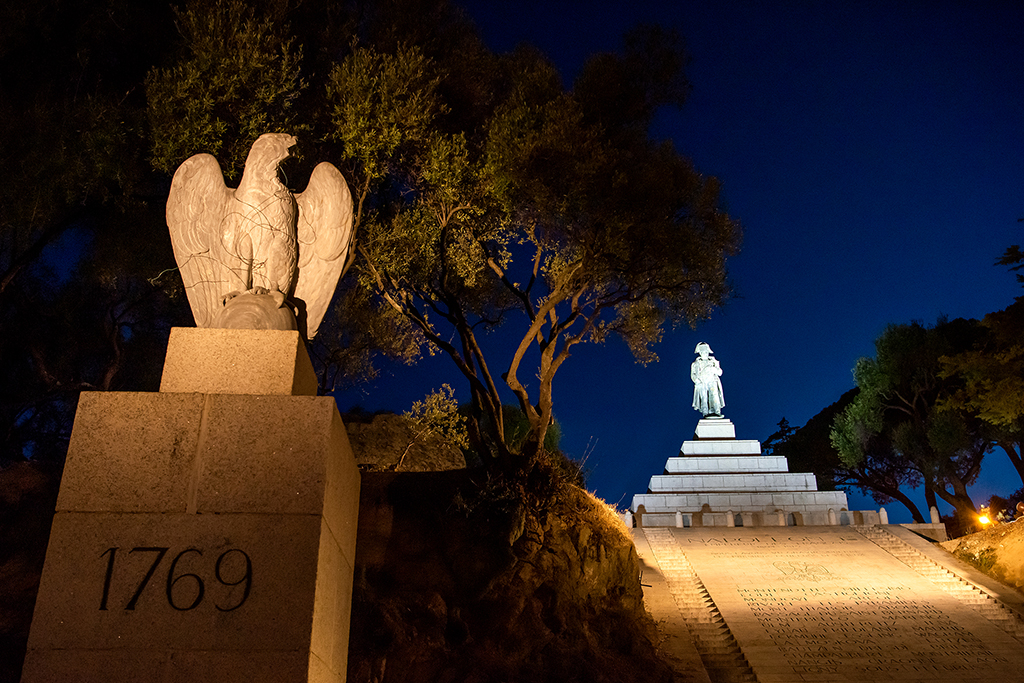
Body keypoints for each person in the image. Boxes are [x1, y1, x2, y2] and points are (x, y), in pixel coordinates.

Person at [691, 342, 724, 417]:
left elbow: (720, 372)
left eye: (706, 352)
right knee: (704, 397)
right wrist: (697, 381)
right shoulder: (696, 363)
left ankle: (716, 411)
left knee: (714, 395)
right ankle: (705, 412)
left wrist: (713, 369)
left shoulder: (713, 362)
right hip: (702, 382)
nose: (705, 353)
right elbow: (693, 375)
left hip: (712, 380)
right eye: (702, 352)